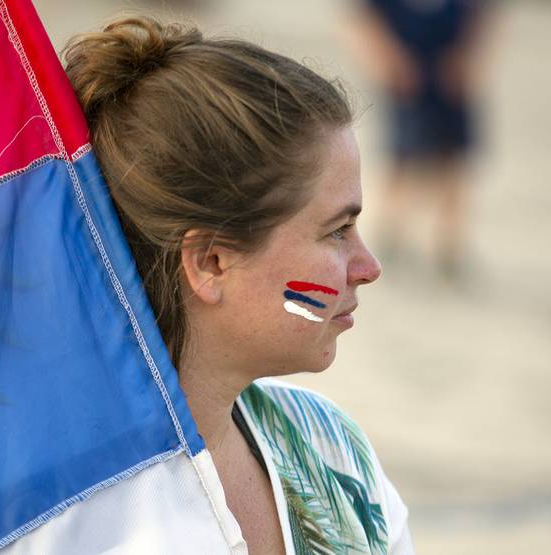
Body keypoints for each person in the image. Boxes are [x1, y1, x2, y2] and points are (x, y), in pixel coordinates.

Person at [63, 16, 414, 554]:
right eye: (337, 231)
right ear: (211, 262)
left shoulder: (330, 448)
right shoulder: (66, 519)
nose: (368, 267)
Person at [345, 0, 491, 279]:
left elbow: (482, 16)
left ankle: (449, 248)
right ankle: (389, 238)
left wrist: (469, 59)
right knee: (401, 163)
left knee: (452, 165)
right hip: (406, 79)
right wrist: (385, 61)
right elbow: (360, 17)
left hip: (450, 78)